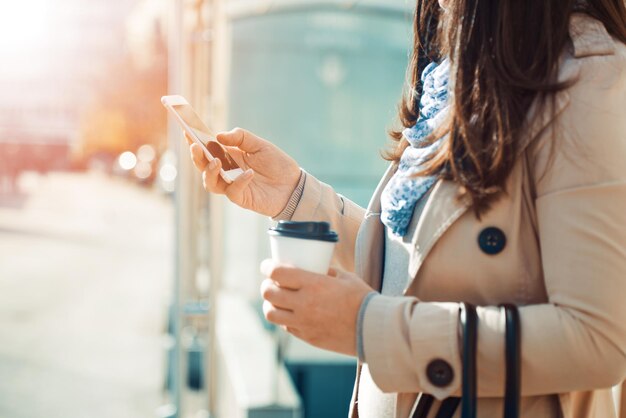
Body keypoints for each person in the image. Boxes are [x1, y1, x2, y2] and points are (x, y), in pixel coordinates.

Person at [188, 0, 626, 417]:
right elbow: (416, 269)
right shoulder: (461, 71)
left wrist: (372, 328)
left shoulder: (590, 79)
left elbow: (598, 341)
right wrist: (295, 197)